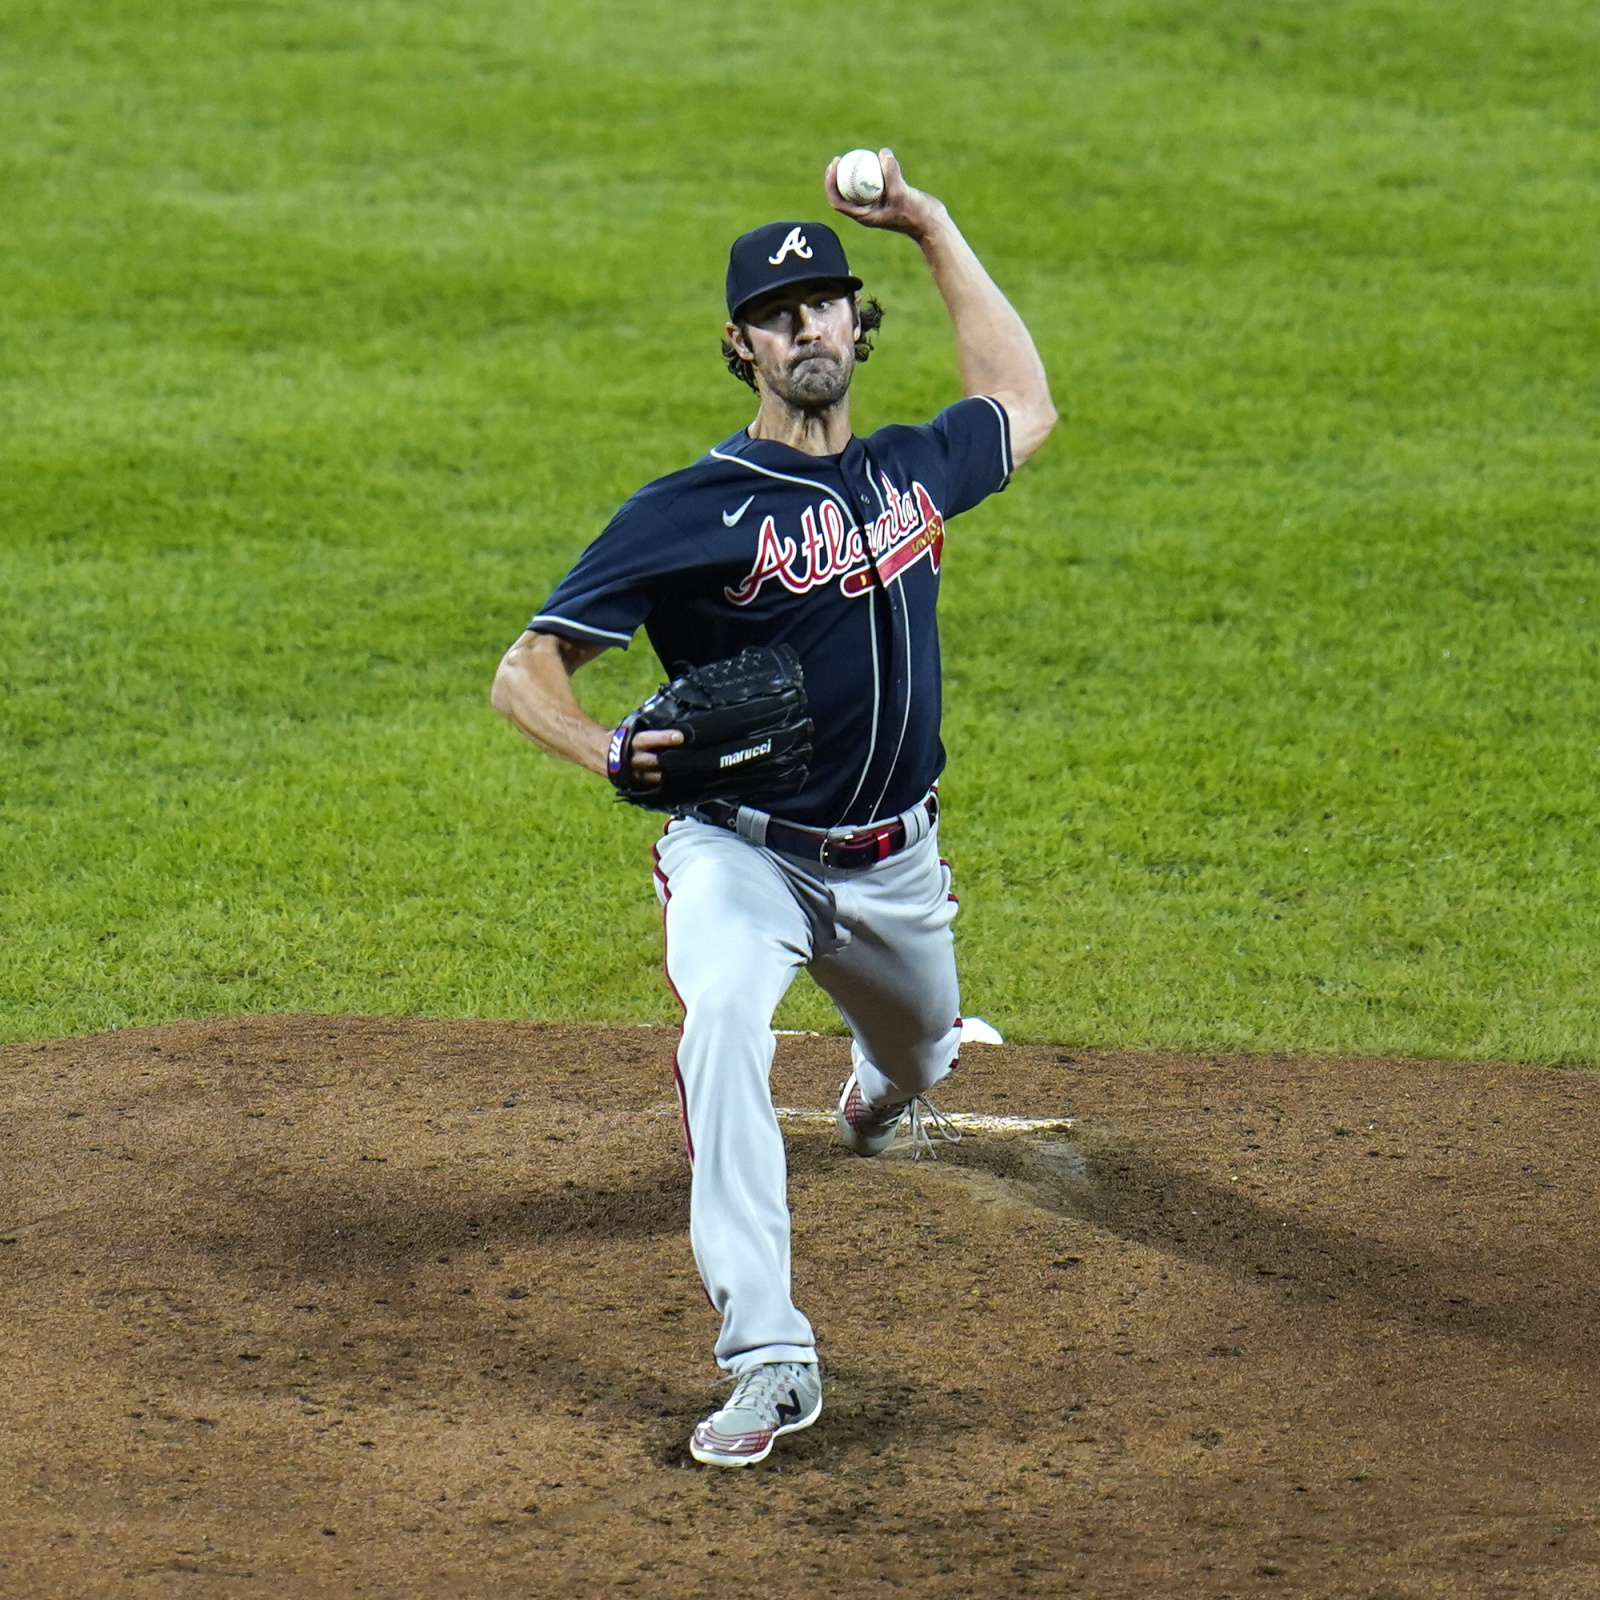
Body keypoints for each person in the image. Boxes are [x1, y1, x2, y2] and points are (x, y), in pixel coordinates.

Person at [490, 150, 1056, 1468]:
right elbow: (526, 671)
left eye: (829, 307)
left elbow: (1021, 400)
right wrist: (604, 754)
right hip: (739, 858)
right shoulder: (687, 511)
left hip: (895, 867)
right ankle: (768, 1351)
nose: (810, 328)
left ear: (857, 327)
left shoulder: (915, 470)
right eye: (780, 315)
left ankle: (876, 1091)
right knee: (725, 1024)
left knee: (917, 1059)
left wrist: (931, 223)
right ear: (740, 345)